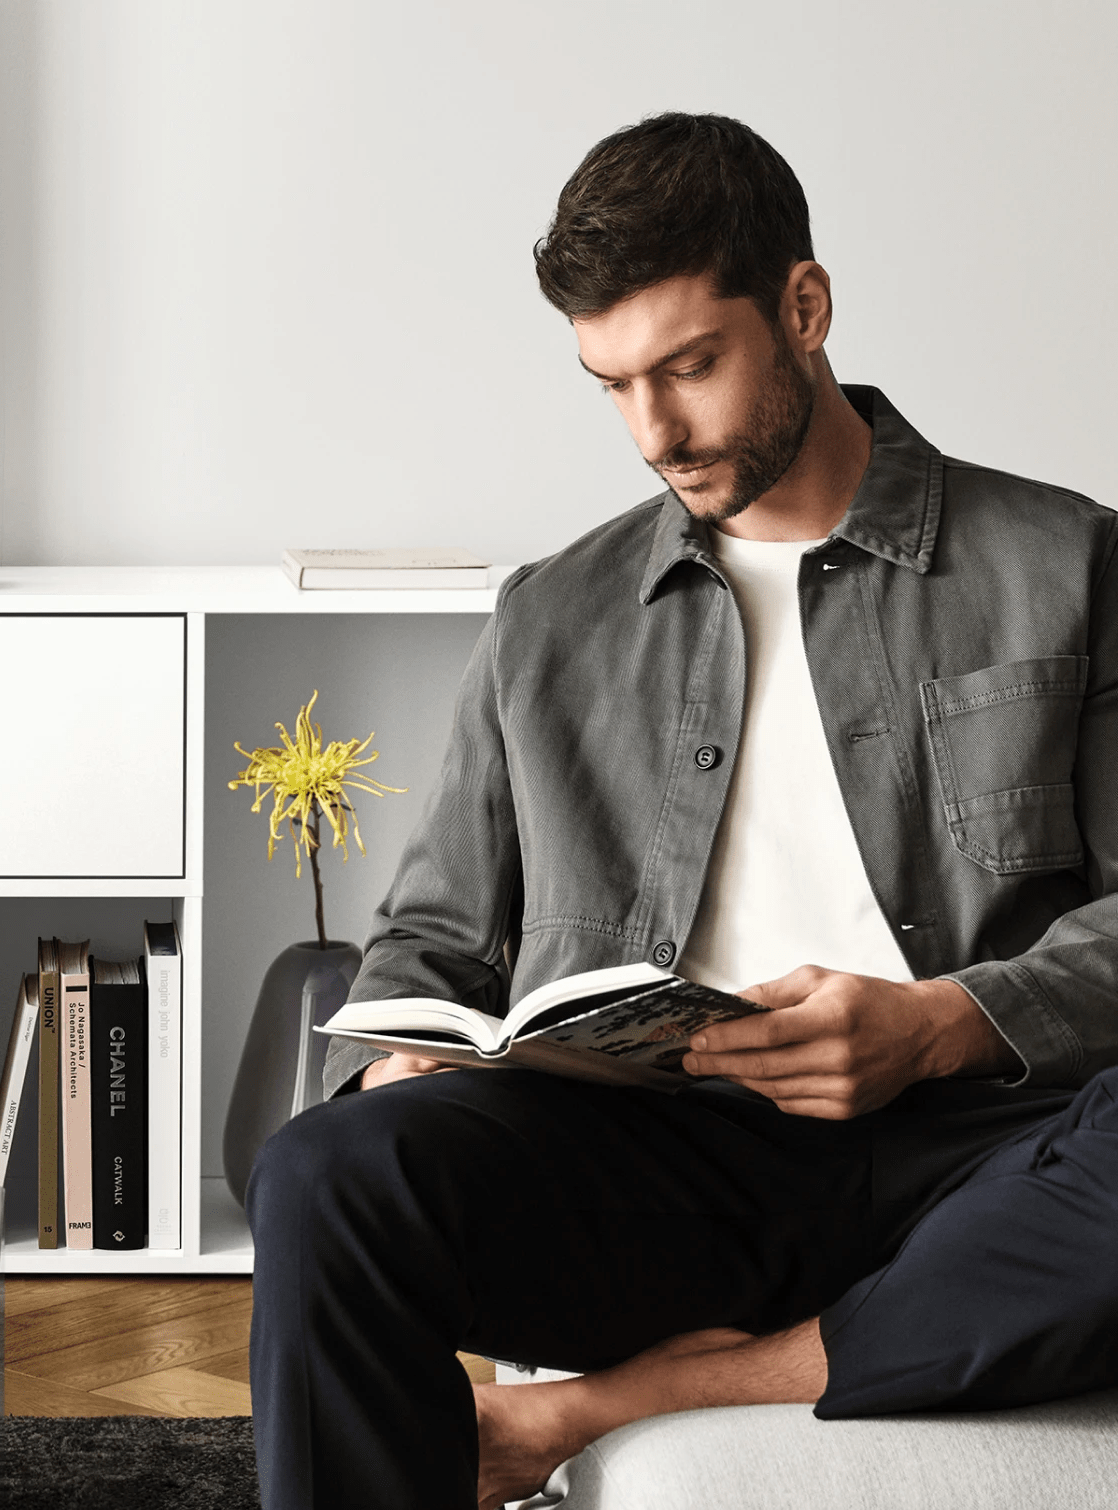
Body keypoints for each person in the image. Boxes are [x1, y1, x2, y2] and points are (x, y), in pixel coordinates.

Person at [246, 112, 1118, 1510]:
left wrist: (945, 1019)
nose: (655, 431)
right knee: (326, 1175)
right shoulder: (551, 616)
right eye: (613, 386)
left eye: (691, 367)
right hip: (665, 1171)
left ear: (805, 306)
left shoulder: (1064, 560)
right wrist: (407, 1062)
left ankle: (633, 1398)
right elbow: (430, 937)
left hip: (988, 1151)